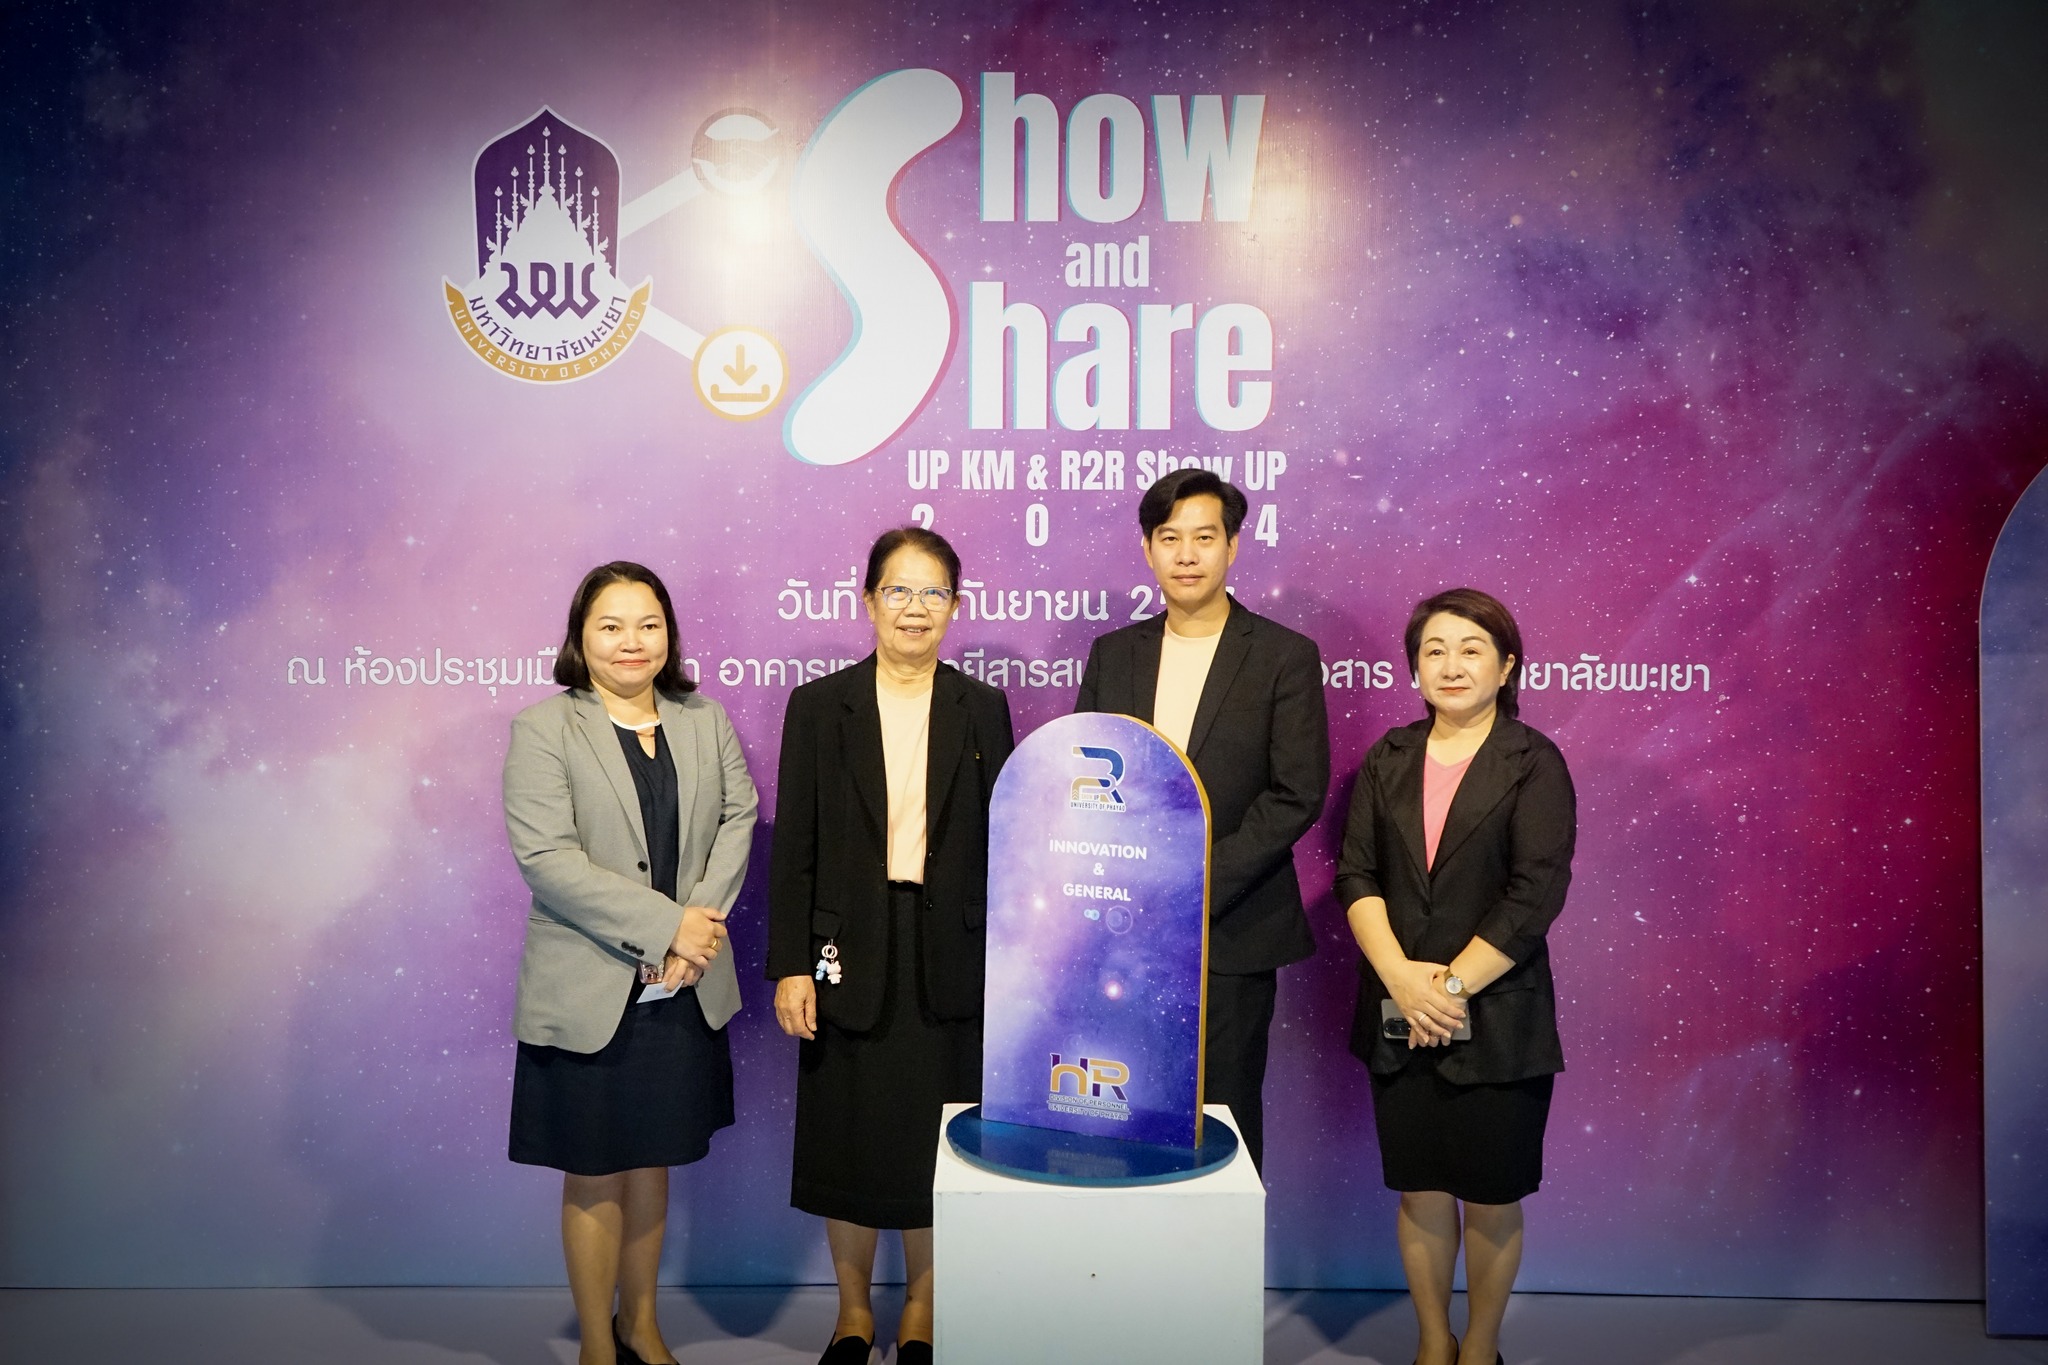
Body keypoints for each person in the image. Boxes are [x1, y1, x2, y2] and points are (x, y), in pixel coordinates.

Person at [767, 527, 1015, 1365]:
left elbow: (1005, 843)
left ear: (955, 606)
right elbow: (795, 846)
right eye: (898, 591)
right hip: (847, 952)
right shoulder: (819, 705)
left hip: (951, 952)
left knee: (937, 1140)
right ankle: (851, 1315)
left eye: (932, 592)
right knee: (847, 1137)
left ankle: (921, 1312)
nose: (915, 608)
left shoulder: (981, 706)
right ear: (868, 600)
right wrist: (792, 964)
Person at [502, 561, 758, 1365]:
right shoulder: (545, 728)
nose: (631, 641)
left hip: (685, 985)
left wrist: (697, 929)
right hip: (591, 989)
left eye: (648, 624)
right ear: (581, 636)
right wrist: (668, 926)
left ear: (668, 634)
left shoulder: (703, 718)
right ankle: (596, 1345)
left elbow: (739, 815)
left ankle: (640, 1324)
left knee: (654, 1158)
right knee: (594, 1169)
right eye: (610, 625)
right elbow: (547, 858)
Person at [1335, 588, 1575, 1365]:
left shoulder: (1533, 761)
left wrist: (1446, 989)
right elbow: (1356, 873)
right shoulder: (1389, 757)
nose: (1451, 664)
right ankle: (1433, 1344)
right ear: (1414, 667)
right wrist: (1401, 980)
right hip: (1399, 1010)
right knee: (1421, 1190)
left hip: (1500, 1018)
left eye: (1472, 649)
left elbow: (1535, 893)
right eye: (1434, 649)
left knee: (1492, 1200)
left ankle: (1479, 1349)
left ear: (1506, 666)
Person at [1074, 468, 1330, 1171]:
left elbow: (1296, 792)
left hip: (1233, 927)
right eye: (1169, 538)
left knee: (1223, 1119)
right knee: (1127, 1116)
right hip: (1125, 933)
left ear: (1233, 546)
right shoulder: (1114, 654)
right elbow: (1083, 783)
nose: (1186, 555)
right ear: (1148, 549)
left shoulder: (1283, 656)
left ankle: (1216, 1249)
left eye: (1204, 537)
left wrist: (1195, 887)